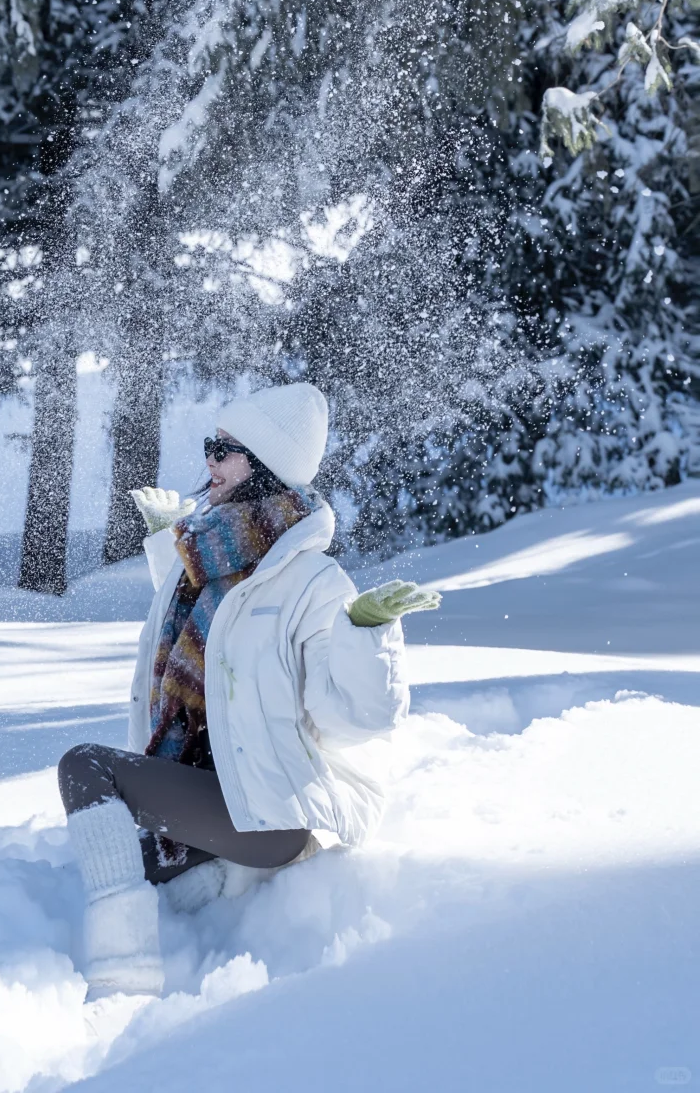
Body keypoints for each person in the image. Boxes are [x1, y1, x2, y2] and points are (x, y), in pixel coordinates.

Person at [58, 382, 440, 1001]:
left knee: (86, 768)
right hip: (217, 795)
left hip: (269, 812)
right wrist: (167, 546)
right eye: (210, 445)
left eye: (224, 449)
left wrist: (369, 638)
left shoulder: (313, 581)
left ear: (263, 465)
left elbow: (356, 721)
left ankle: (123, 971)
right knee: (110, 860)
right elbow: (215, 647)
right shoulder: (204, 559)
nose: (208, 459)